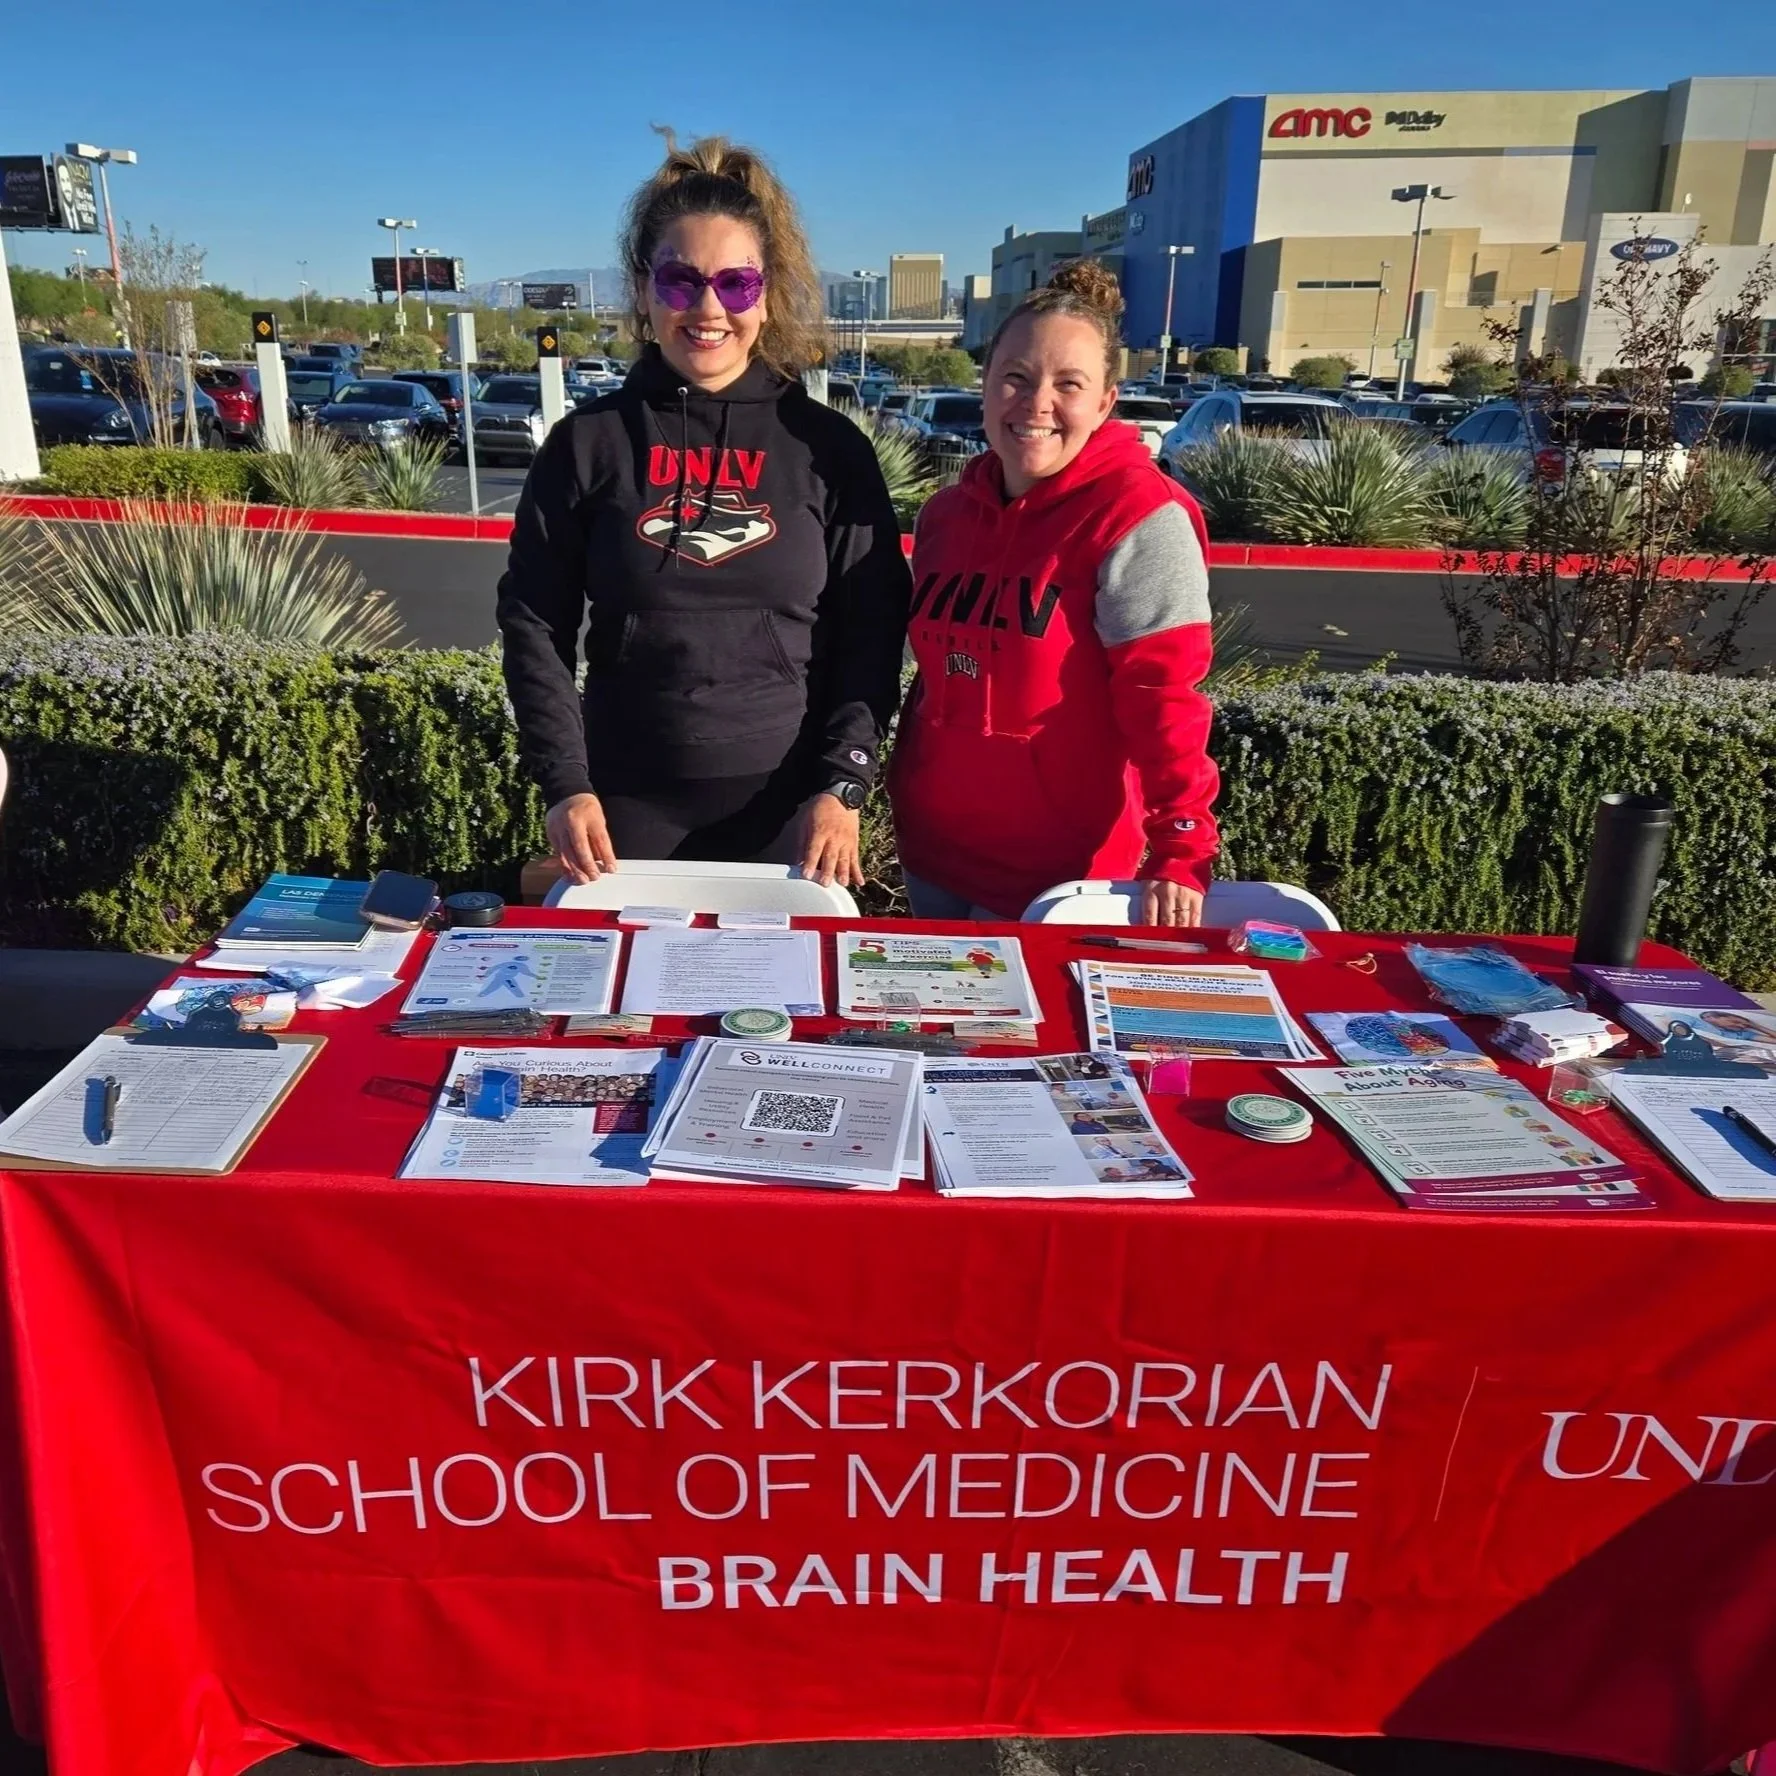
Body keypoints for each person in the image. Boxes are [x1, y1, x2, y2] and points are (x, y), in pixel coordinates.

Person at [497, 133, 910, 889]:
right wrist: (565, 783)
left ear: (768, 291)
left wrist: (844, 783)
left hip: (791, 810)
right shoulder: (586, 445)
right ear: (645, 288)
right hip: (624, 809)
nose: (709, 309)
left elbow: (873, 629)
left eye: (736, 284)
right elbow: (534, 623)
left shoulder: (827, 448)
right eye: (681, 282)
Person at [888, 259, 1218, 926]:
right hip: (933, 854)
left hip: (1059, 881)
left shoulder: (1139, 516)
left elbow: (1165, 698)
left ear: (1103, 401)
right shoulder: (947, 516)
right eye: (1015, 378)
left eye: (1068, 385)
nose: (1036, 404)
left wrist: (1182, 844)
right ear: (984, 387)